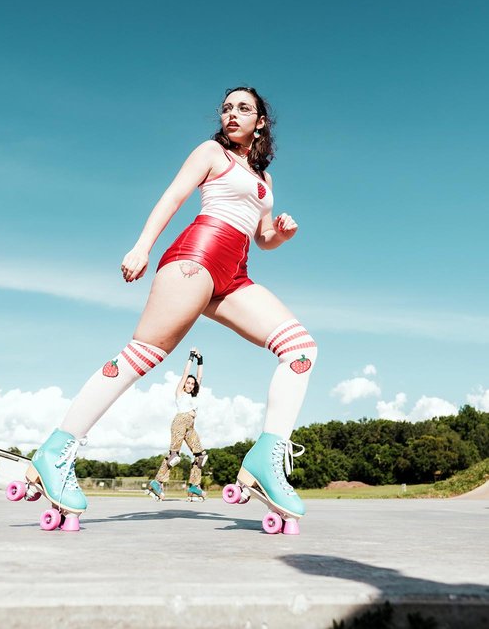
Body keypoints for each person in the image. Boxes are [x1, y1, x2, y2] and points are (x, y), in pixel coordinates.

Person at [28, 86, 318, 528]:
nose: (232, 114)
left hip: (235, 272)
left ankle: (266, 457)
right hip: (196, 256)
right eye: (226, 108)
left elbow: (260, 237)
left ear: (261, 121)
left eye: (243, 108)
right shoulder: (210, 153)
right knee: (141, 355)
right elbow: (173, 196)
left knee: (301, 349)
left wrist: (281, 235)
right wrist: (142, 247)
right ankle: (56, 450)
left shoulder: (264, 179)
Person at [147, 347, 207, 501]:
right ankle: (157, 482)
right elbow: (185, 374)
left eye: (192, 384)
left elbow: (200, 377)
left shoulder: (195, 396)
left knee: (200, 456)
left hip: (190, 426)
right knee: (175, 456)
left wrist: (201, 360)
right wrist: (191, 357)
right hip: (180, 422)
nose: (190, 385)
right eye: (188, 383)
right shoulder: (180, 394)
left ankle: (194, 486)